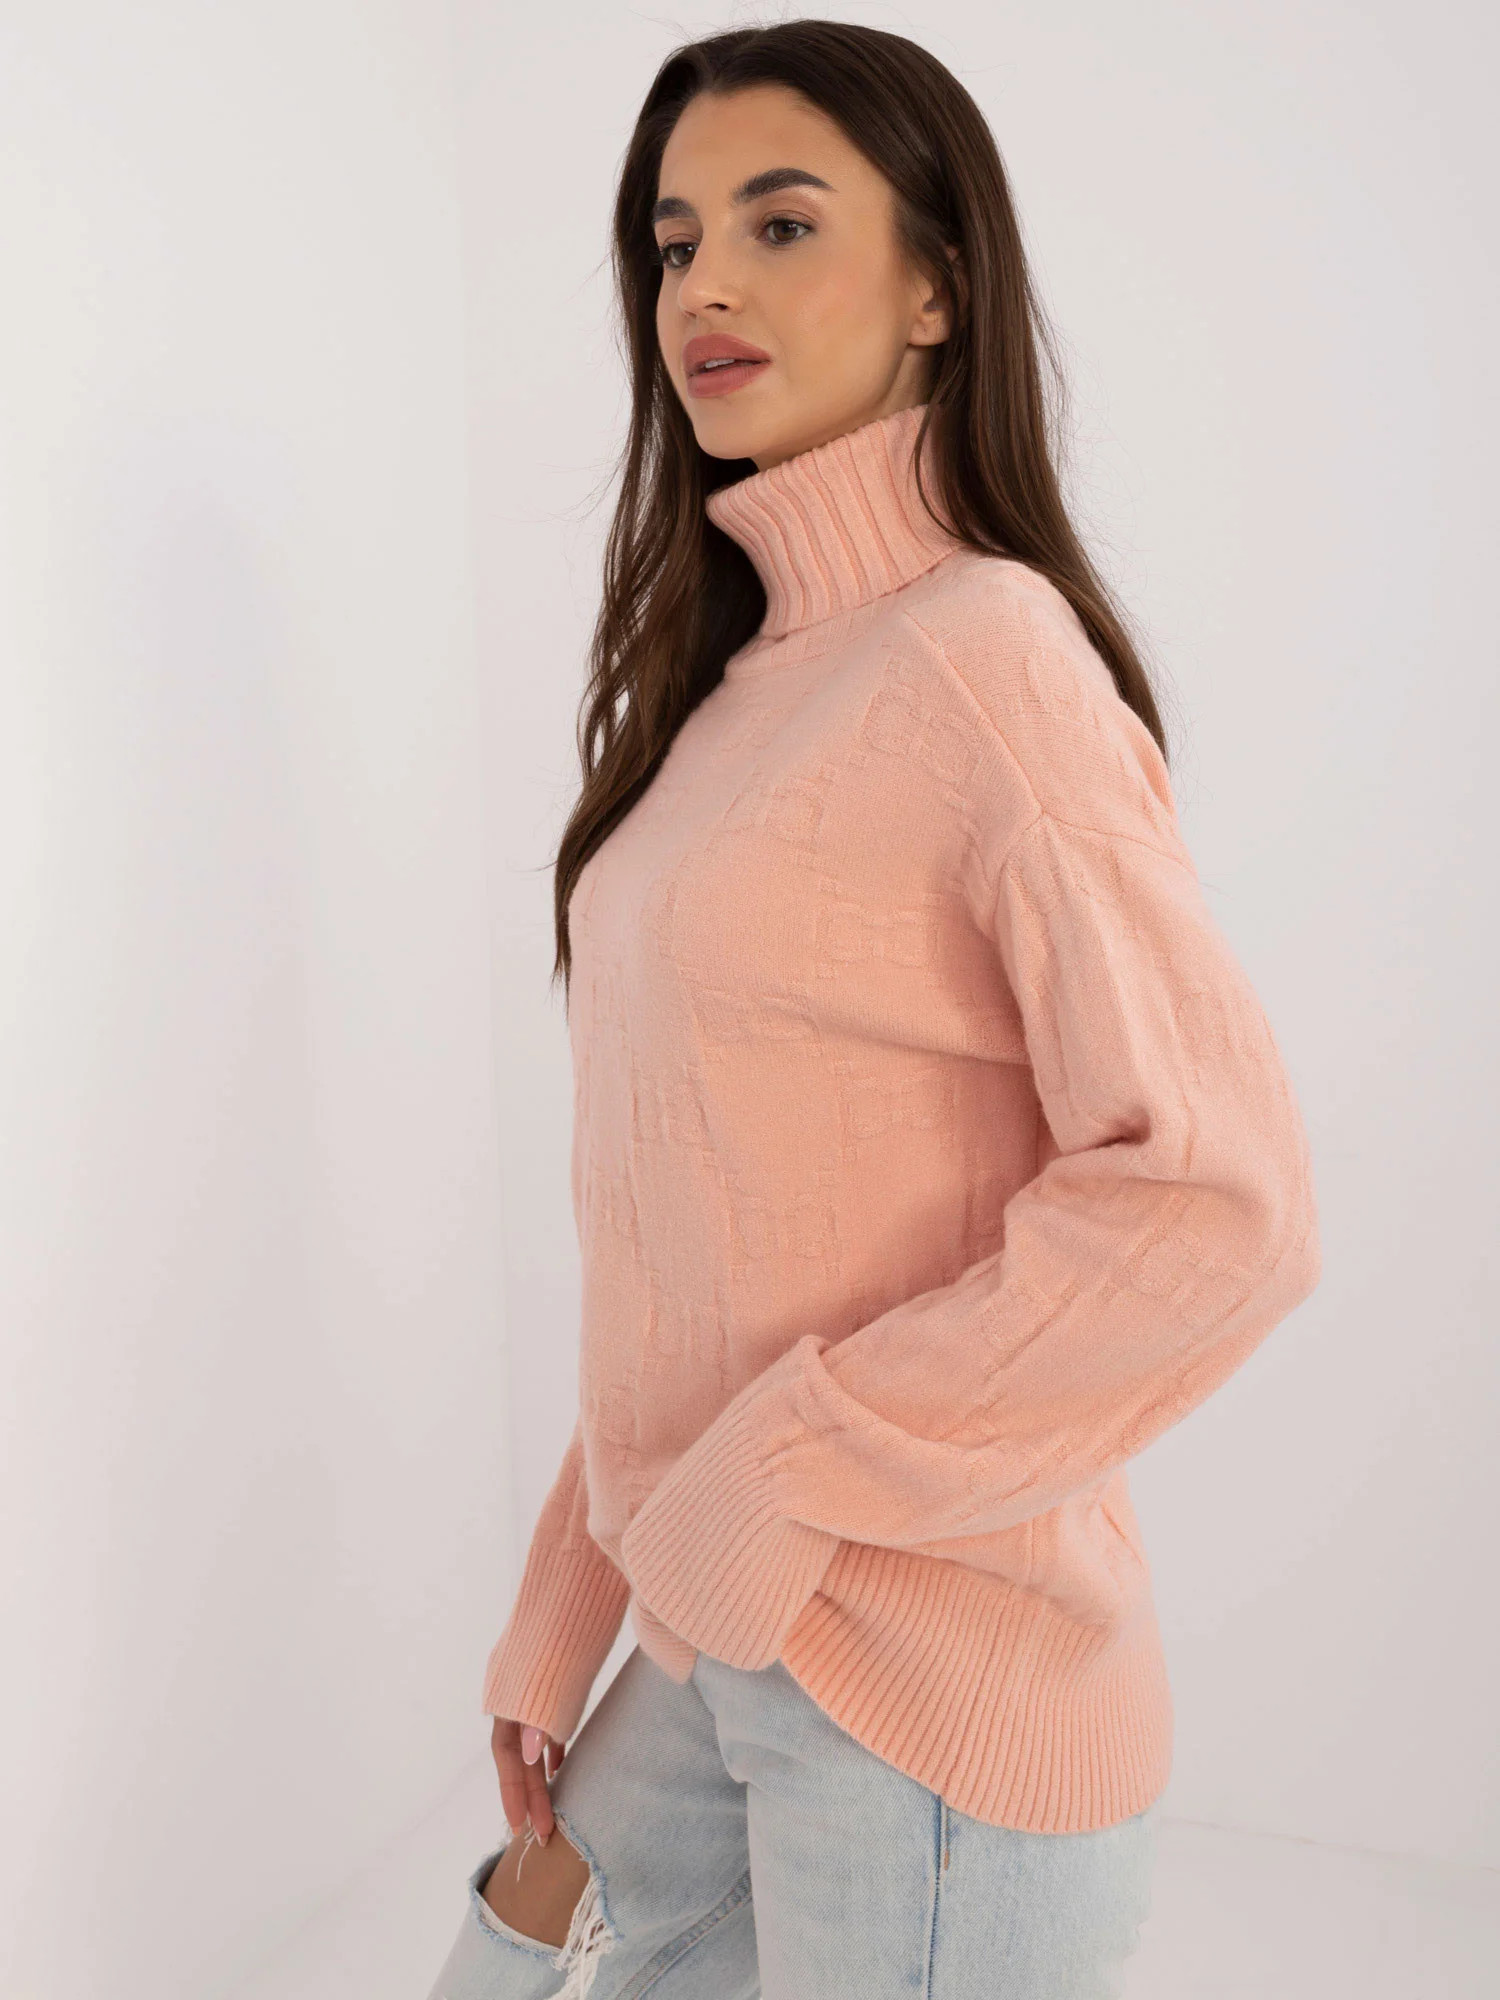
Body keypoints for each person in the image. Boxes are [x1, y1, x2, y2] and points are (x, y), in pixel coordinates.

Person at [426, 19, 1321, 2000]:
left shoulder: (987, 662)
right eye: (673, 241)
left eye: (780, 223)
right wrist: (565, 1608)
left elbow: (1217, 1205)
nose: (703, 287)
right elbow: (700, 1248)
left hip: (928, 1695)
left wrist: (775, 1476)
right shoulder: (731, 696)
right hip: (717, 1635)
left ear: (938, 287)